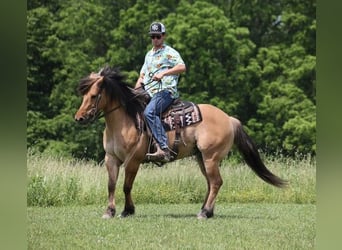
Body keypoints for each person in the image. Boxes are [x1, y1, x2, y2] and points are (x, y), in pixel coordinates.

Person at [135, 21, 186, 162]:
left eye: (158, 36)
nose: (155, 39)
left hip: (166, 92)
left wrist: (164, 74)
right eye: (153, 36)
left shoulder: (169, 52)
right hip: (149, 92)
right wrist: (134, 92)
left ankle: (163, 148)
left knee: (149, 112)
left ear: (163, 36)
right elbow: (142, 76)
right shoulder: (148, 55)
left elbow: (182, 67)